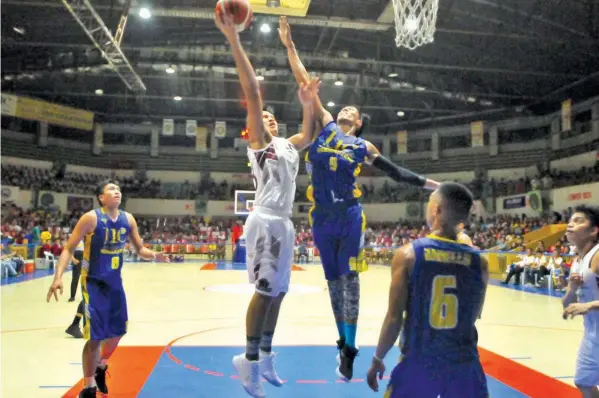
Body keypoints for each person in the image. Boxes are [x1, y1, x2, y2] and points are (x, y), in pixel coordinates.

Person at [278, 15, 439, 380]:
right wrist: (289, 46)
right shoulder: (324, 125)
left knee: (350, 280)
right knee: (334, 284)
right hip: (321, 218)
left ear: (360, 122)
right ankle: (345, 343)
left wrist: (433, 186)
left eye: (353, 110)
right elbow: (305, 82)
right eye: (343, 107)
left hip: (350, 216)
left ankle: (350, 348)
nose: (346, 109)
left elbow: (397, 172)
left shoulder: (363, 146)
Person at [214, 11, 321, 398]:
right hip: (263, 219)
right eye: (264, 118)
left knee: (279, 292)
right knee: (264, 291)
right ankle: (249, 359)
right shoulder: (259, 144)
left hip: (285, 223)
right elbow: (254, 94)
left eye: (273, 117)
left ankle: (267, 353)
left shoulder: (289, 146)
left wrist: (308, 99)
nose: (268, 119)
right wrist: (233, 39)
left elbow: (310, 132)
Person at [46, 180, 169, 398]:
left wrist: (154, 254)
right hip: (93, 282)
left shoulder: (127, 219)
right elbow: (68, 248)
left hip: (114, 283)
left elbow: (140, 249)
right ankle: (88, 387)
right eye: (111, 189)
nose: (117, 192)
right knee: (95, 336)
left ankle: (101, 366)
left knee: (119, 331)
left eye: (119, 190)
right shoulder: (91, 218)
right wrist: (57, 278)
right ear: (101, 198)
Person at [367, 182, 489, 398]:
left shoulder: (408, 255)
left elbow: (394, 318)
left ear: (437, 210)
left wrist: (378, 359)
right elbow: (475, 314)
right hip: (464, 365)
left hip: (420, 362)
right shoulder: (480, 263)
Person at [561, 205, 599, 398]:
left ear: (593, 231)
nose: (571, 224)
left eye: (578, 221)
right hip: (592, 335)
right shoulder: (576, 261)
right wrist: (571, 289)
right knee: (583, 382)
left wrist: (588, 305)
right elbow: (567, 303)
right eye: (571, 220)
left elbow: (585, 305)